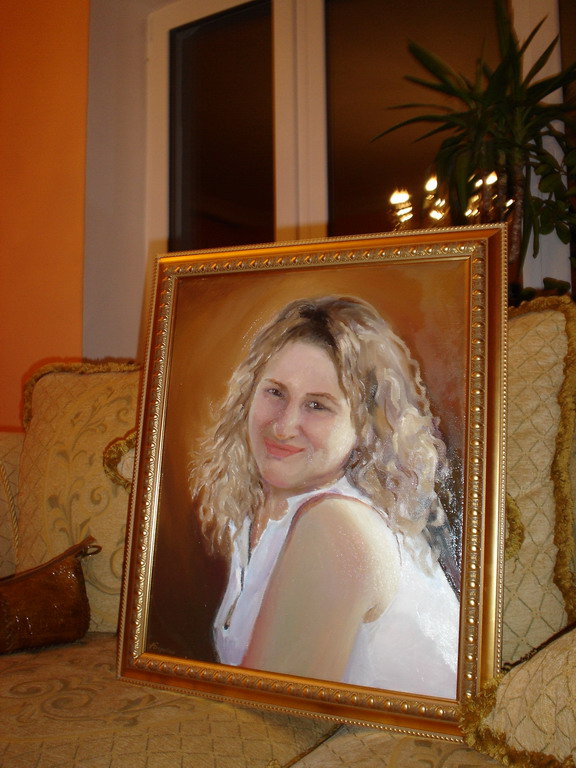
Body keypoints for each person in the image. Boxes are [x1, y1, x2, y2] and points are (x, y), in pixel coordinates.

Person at [189, 295, 460, 698]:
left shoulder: (337, 526)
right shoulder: (258, 511)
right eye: (275, 392)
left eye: (317, 405)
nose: (284, 426)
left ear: (365, 426)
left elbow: (271, 715)